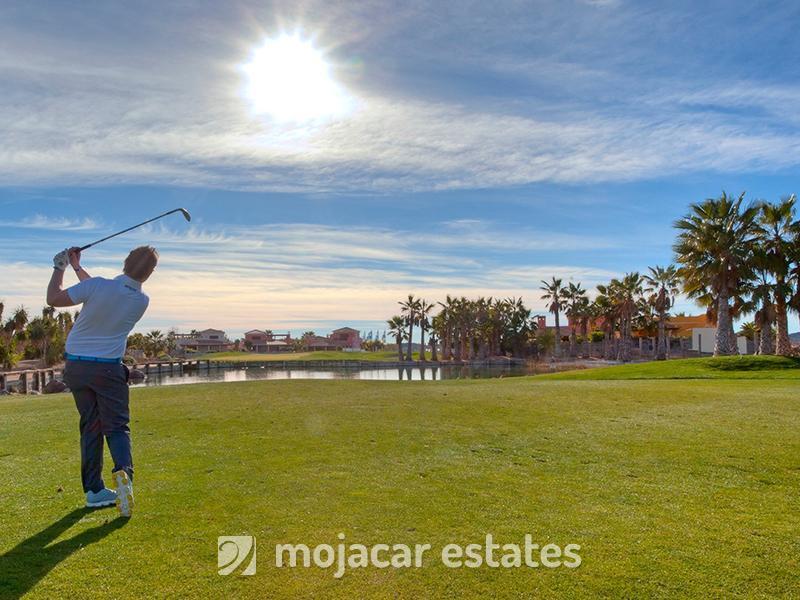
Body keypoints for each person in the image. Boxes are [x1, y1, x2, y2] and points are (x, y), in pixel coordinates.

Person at [47, 245, 158, 517]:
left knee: (90, 426)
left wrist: (59, 266)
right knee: (117, 427)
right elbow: (100, 291)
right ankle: (124, 478)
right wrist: (75, 266)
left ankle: (95, 491)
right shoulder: (141, 301)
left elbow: (54, 298)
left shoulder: (97, 287)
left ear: (125, 261)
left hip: (77, 368)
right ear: (149, 273)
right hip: (108, 371)